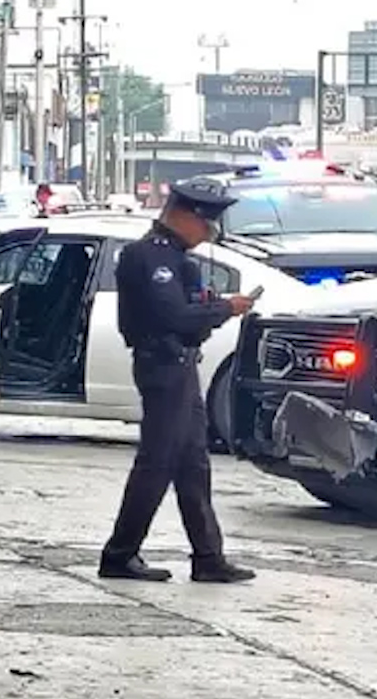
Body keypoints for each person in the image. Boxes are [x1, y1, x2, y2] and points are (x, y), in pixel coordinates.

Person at [99, 178, 258, 584]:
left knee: (193, 464)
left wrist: (211, 308)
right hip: (161, 364)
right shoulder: (150, 257)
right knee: (157, 463)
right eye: (206, 225)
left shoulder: (177, 260)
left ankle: (208, 557)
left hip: (181, 365)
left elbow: (188, 315)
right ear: (185, 216)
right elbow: (173, 316)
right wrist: (225, 308)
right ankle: (120, 554)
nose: (208, 234)